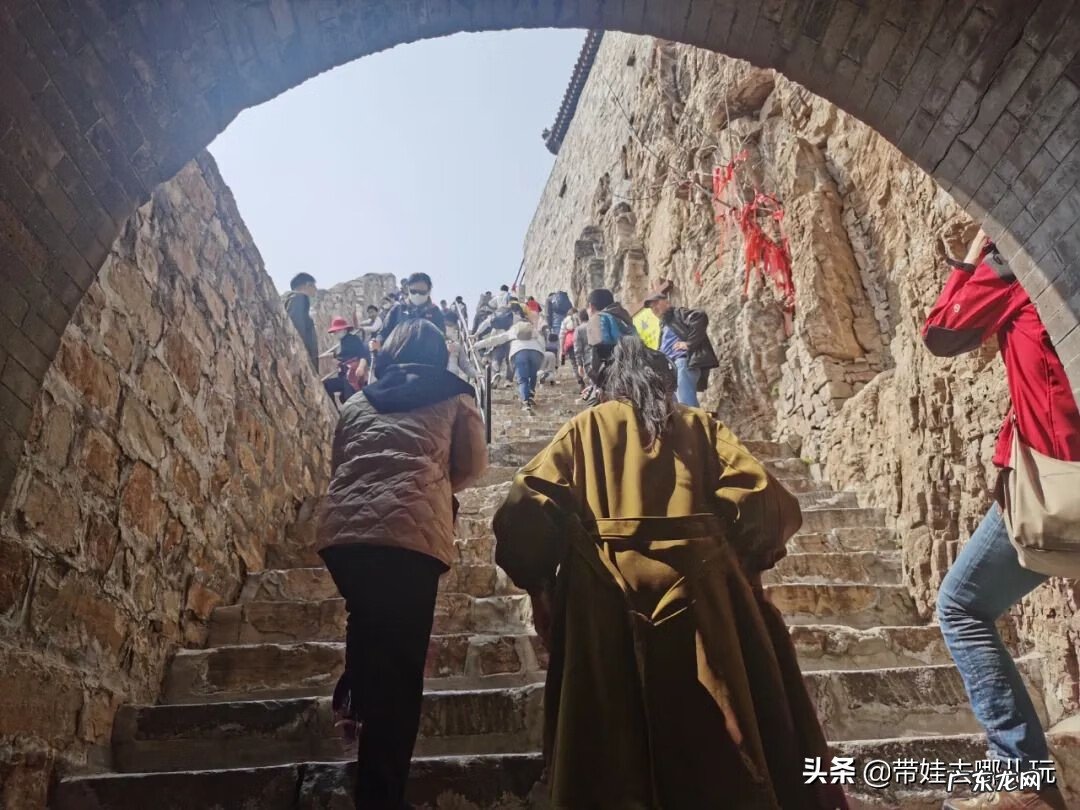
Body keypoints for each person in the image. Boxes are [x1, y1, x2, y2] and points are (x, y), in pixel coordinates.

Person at [492, 337, 847, 810]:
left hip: (603, 603)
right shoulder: (699, 426)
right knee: (720, 743)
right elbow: (762, 499)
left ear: (608, 384)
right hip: (704, 595)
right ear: (664, 380)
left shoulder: (583, 429)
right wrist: (744, 564)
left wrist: (540, 586)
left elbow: (525, 509)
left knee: (606, 748)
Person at [924, 229, 1079, 810]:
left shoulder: (1022, 262)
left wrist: (976, 256)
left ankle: (1019, 771)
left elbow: (942, 330)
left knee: (960, 606)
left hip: (1057, 481)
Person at [317, 319, 488, 810]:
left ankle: (354, 695)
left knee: (367, 622)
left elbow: (340, 464)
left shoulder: (356, 400)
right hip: (411, 538)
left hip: (345, 535)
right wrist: (431, 486)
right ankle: (380, 795)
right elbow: (473, 465)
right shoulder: (456, 395)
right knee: (402, 669)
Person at [645, 292, 719, 408]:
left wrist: (689, 344)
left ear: (667, 301)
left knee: (686, 406)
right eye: (651, 307)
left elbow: (700, 316)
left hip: (682, 363)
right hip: (670, 371)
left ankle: (696, 424)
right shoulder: (664, 325)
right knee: (678, 409)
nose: (654, 308)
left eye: (656, 303)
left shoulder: (677, 314)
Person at [474, 301, 545, 412]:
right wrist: (542, 355)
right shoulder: (532, 328)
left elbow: (495, 339)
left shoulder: (513, 329)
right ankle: (531, 393)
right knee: (533, 374)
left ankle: (526, 402)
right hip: (536, 352)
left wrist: (477, 345)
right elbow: (541, 341)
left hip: (519, 351)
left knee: (522, 379)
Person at [373, 272, 446, 351]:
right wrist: (377, 342)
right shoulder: (397, 309)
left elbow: (442, 337)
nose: (417, 295)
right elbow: (383, 332)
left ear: (429, 290)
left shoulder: (435, 311)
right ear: (408, 289)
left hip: (427, 359)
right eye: (413, 291)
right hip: (397, 358)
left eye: (422, 292)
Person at [584, 288, 636, 383]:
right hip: (635, 372)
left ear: (591, 306)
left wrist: (595, 385)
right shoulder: (623, 316)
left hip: (614, 379)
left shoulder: (597, 319)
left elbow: (595, 360)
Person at [321, 317, 372, 407]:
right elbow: (341, 356)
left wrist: (360, 367)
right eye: (335, 332)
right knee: (327, 385)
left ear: (344, 330)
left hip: (353, 375)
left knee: (350, 400)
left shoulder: (353, 339)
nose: (336, 333)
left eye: (337, 331)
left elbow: (363, 354)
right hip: (345, 375)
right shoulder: (343, 342)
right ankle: (334, 410)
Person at [283, 272, 319, 370]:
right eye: (314, 285)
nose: (316, 289)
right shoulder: (298, 298)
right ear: (307, 284)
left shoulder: (293, 300)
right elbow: (297, 329)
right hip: (303, 358)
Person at [574, 310, 593, 395]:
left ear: (579, 319)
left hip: (588, 360)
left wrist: (579, 364)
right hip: (600, 358)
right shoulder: (595, 325)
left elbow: (577, 348)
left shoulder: (578, 329)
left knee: (591, 384)